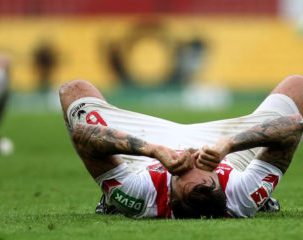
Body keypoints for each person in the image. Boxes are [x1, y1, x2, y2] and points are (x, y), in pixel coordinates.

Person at [59, 74, 303, 219]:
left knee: (73, 91)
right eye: (205, 168)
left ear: (170, 191)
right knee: (298, 86)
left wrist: (152, 150)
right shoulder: (242, 194)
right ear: (221, 186)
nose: (192, 156)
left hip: (147, 156)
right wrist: (229, 145)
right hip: (231, 153)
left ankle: (109, 199)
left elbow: (84, 136)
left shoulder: (140, 194)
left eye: (182, 170)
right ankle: (262, 197)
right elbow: (293, 127)